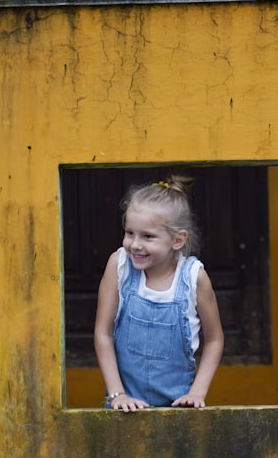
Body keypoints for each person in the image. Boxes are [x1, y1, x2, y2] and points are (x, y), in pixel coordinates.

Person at [94, 175, 224, 412]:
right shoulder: (119, 266)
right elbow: (103, 334)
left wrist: (196, 393)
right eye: (130, 232)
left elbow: (215, 340)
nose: (135, 244)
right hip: (124, 410)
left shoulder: (193, 277)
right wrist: (117, 395)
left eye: (148, 236)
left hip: (179, 410)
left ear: (178, 240)